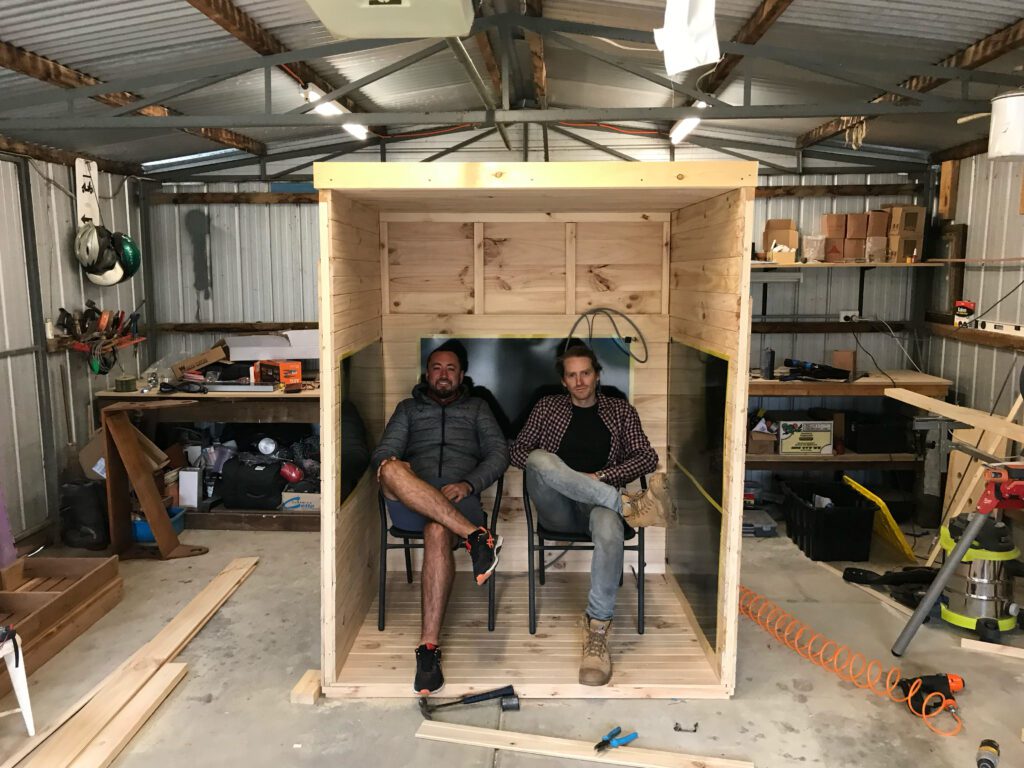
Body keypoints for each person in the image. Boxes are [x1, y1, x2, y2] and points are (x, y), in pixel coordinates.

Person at [509, 343, 669, 686]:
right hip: (558, 508)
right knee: (538, 459)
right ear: (563, 381)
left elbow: (646, 457)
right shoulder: (547, 407)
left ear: (597, 375)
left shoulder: (620, 411)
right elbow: (517, 451)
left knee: (610, 528)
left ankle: (597, 632)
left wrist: (600, 478)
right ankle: (627, 504)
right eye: (572, 375)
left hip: (599, 506)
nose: (579, 381)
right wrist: (561, 474)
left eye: (585, 373)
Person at [372, 339, 509, 695]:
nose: (443, 374)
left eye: (450, 368)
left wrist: (469, 483)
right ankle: (478, 537)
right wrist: (408, 477)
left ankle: (428, 652)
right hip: (410, 499)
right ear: (427, 373)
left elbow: (498, 454)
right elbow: (384, 453)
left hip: (458, 500)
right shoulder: (408, 409)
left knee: (436, 529)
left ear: (461, 375)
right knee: (388, 467)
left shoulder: (478, 408)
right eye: (437, 367)